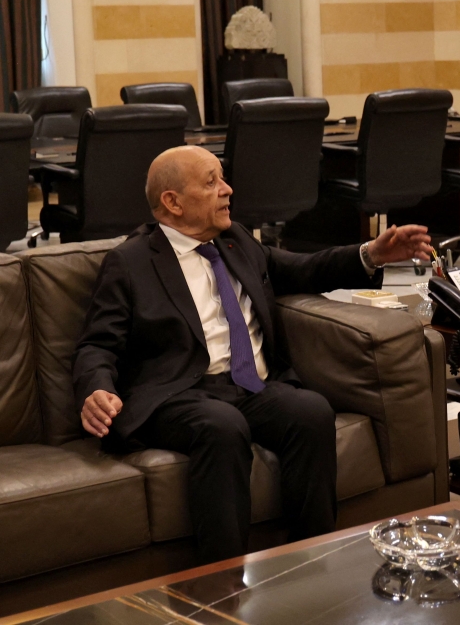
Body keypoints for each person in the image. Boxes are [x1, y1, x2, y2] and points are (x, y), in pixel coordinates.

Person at [73, 145, 434, 563]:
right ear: (172, 202)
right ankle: (222, 581)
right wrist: (96, 390)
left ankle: (311, 561)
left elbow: (302, 269)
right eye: (211, 183)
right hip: (181, 394)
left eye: (222, 178)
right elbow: (97, 343)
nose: (227, 190)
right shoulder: (130, 261)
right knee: (222, 426)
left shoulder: (235, 240)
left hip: (253, 385)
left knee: (311, 410)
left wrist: (371, 254)